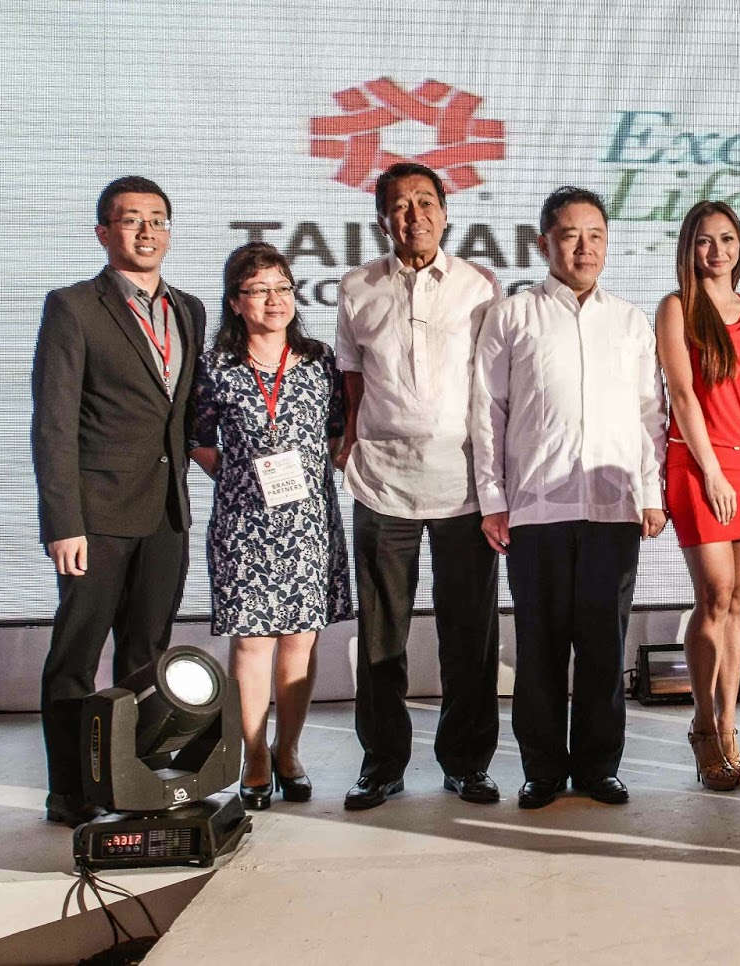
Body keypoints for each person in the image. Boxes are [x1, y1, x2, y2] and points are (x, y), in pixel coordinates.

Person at [472, 186, 667, 809]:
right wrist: (492, 498)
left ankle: (599, 766)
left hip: (614, 506)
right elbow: (487, 412)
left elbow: (650, 414)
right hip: (536, 508)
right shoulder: (513, 315)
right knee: (541, 647)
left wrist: (651, 492)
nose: (584, 248)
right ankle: (542, 770)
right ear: (544, 243)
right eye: (570, 235)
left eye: (596, 235)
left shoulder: (630, 320)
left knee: (605, 646)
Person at [31, 176, 206, 826]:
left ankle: (140, 781)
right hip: (96, 517)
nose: (146, 231)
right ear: (103, 232)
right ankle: (69, 791)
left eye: (157, 219)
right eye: (131, 220)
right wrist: (63, 521)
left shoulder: (190, 309)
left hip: (166, 513)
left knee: (148, 657)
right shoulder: (73, 306)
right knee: (76, 657)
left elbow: (182, 416)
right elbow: (53, 423)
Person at [333, 162, 505, 810]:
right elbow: (353, 379)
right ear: (383, 218)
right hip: (382, 484)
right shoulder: (356, 287)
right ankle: (382, 765)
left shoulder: (479, 284)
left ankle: (467, 762)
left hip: (463, 485)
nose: (416, 215)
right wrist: (349, 442)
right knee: (382, 637)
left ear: (445, 213)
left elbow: (495, 385)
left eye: (427, 202)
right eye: (401, 205)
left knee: (470, 635)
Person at [187, 243, 353, 808]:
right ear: (236, 302)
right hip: (244, 524)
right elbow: (199, 440)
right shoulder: (215, 367)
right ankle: (255, 755)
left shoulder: (320, 360)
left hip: (309, 522)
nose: (274, 300)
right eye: (259, 290)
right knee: (252, 645)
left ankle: (289, 751)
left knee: (300, 643)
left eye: (282, 287)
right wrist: (243, 479)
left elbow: (336, 433)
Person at [655, 201, 740, 791]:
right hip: (700, 465)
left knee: (737, 600)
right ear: (689, 247)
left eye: (727, 239)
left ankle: (729, 727)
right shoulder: (676, 307)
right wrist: (713, 472)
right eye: (705, 240)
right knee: (715, 593)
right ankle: (703, 726)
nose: (717, 250)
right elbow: (681, 393)